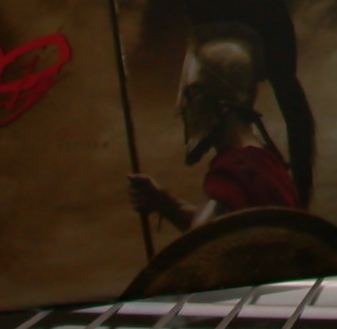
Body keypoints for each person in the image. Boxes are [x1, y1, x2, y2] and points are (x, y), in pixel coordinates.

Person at [128, 22, 300, 232]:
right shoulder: (265, 163)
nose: (188, 109)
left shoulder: (234, 173)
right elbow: (223, 226)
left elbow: (204, 243)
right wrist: (165, 204)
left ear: (219, 103)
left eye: (194, 96)